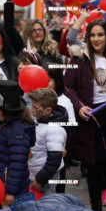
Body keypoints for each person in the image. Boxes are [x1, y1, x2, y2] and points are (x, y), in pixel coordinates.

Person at [64, 18, 106, 211]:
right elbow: (67, 87)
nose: (96, 39)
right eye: (92, 35)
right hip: (90, 116)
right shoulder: (80, 58)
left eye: (100, 34)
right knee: (93, 166)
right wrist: (79, 106)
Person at [0, 80, 36, 206]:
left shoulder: (17, 133)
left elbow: (17, 165)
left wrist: (10, 192)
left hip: (11, 192)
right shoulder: (3, 124)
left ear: (6, 110)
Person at [43, 63, 77, 193]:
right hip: (40, 151)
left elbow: (72, 128)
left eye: (48, 80)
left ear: (57, 81)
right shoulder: (37, 99)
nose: (44, 84)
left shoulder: (64, 101)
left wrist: (65, 146)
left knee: (57, 185)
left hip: (59, 152)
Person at [28, 88, 68, 195]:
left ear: (48, 110)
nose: (32, 110)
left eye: (36, 108)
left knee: (46, 204)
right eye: (32, 106)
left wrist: (41, 179)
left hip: (45, 178)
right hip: (33, 174)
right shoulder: (37, 120)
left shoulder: (55, 130)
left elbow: (54, 160)